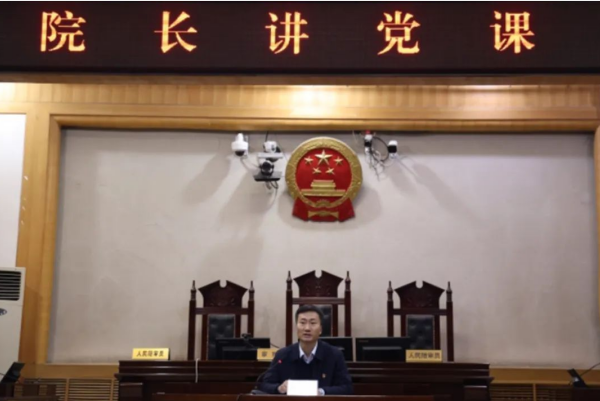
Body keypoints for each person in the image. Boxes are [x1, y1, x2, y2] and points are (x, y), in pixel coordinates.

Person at [258, 305, 353, 395]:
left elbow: (347, 388)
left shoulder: (334, 355)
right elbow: (265, 385)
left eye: (313, 323)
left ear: (320, 329)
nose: (307, 328)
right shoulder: (282, 355)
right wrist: (279, 388)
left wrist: (321, 392)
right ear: (296, 327)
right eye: (302, 323)